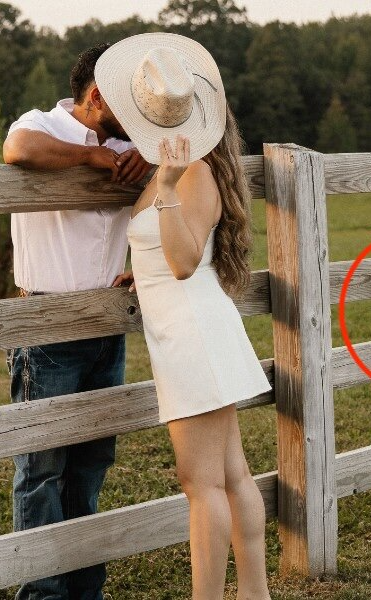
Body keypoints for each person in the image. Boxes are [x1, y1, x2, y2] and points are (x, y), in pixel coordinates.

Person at [95, 33, 273, 599]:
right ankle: (254, 593)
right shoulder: (180, 171)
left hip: (192, 332)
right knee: (229, 475)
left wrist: (167, 190)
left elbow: (183, 260)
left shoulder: (187, 173)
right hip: (192, 326)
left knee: (202, 483)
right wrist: (137, 270)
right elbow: (164, 256)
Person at [1, 43, 151, 600]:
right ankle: (43, 594)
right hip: (47, 325)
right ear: (96, 95)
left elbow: (189, 171)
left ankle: (85, 589)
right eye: (128, 105)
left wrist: (154, 166)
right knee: (41, 468)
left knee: (91, 463)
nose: (136, 121)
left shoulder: (133, 145)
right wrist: (89, 158)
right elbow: (17, 149)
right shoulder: (40, 124)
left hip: (107, 325)